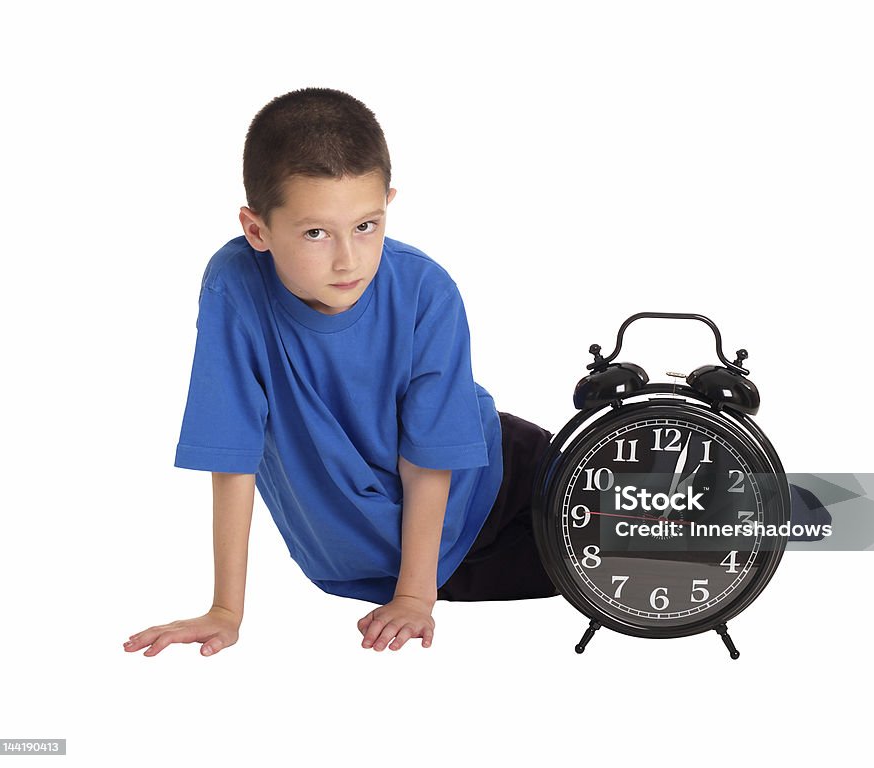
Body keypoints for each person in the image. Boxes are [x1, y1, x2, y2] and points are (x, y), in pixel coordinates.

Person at [123, 87, 559, 658]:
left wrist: (415, 596)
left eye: (366, 225)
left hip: (496, 474)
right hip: (408, 560)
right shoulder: (234, 285)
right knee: (606, 571)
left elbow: (432, 452)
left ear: (388, 204)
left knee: (660, 524)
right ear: (257, 231)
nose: (347, 259)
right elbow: (231, 448)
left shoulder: (425, 289)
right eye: (314, 233)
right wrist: (226, 610)